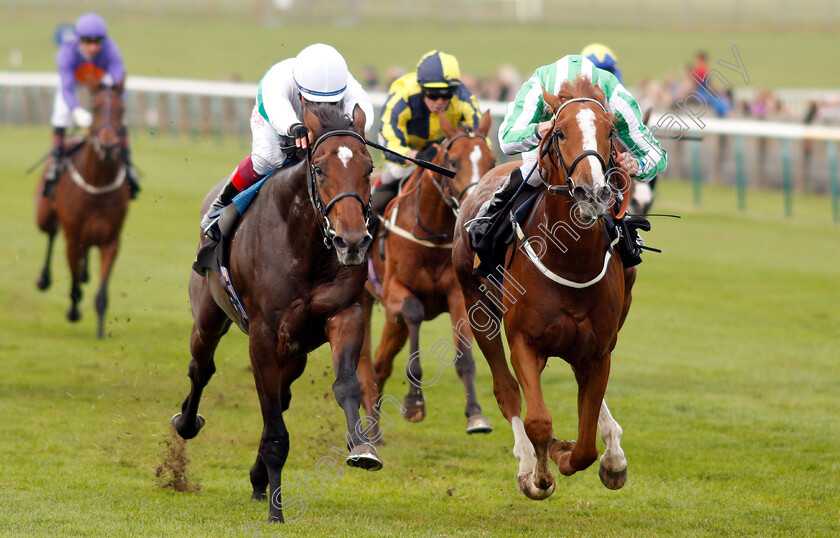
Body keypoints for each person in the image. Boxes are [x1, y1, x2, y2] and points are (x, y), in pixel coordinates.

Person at [468, 49, 667, 260]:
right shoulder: (539, 86)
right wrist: (541, 128)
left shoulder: (616, 96)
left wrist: (638, 166)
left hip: (593, 148)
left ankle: (626, 238)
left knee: (609, 174)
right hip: (553, 138)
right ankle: (489, 217)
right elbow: (507, 140)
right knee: (534, 172)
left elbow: (657, 156)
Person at [199, 43, 374, 239]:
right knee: (268, 158)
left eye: (331, 103)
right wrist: (294, 127)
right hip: (276, 119)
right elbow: (277, 111)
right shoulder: (278, 81)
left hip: (325, 129)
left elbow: (363, 113)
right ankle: (220, 205)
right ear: (299, 90)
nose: (322, 108)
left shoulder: (346, 83)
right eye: (313, 102)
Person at [373, 50, 485, 215]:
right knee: (399, 171)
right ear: (422, 89)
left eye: (446, 94)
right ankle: (372, 209)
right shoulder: (402, 97)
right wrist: (418, 156)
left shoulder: (463, 99)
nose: (440, 102)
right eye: (433, 94)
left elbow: (480, 142)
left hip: (443, 151)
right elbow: (389, 145)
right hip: (407, 151)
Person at [45, 13, 140, 199]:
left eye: (97, 41)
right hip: (75, 83)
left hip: (100, 81)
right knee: (62, 113)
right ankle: (55, 162)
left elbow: (118, 84)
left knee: (118, 116)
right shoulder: (67, 52)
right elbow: (66, 89)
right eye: (88, 41)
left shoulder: (111, 50)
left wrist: (113, 106)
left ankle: (127, 164)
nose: (93, 46)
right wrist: (78, 111)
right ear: (79, 39)